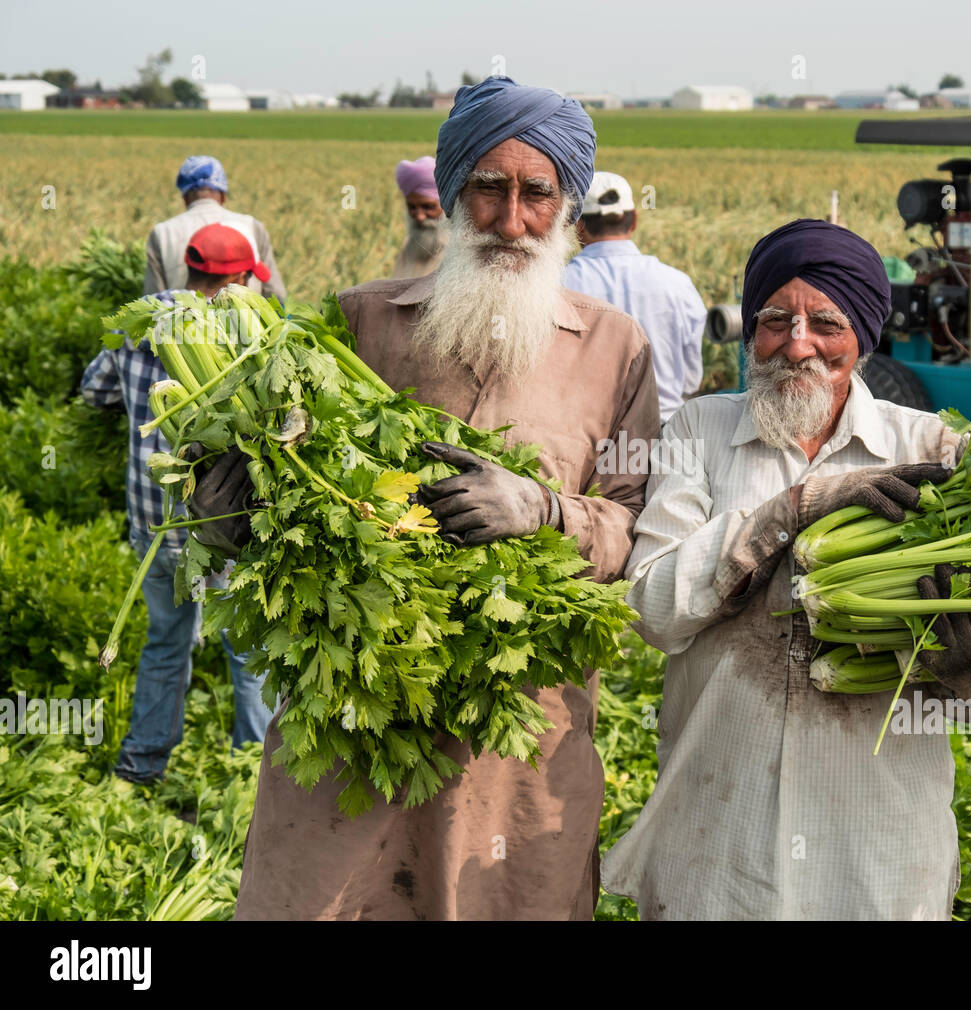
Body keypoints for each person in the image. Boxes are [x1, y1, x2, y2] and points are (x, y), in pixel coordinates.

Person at [224, 76, 661, 921]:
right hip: (351, 720)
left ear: (567, 206)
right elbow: (275, 517)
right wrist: (233, 498)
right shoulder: (360, 325)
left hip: (517, 733)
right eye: (488, 190)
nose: (510, 221)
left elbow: (641, 530)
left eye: (537, 194)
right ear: (453, 195)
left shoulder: (616, 349)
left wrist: (542, 510)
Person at [599, 219, 971, 920]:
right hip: (718, 828)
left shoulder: (935, 453)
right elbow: (651, 607)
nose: (797, 344)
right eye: (774, 321)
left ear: (863, 337)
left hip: (875, 838)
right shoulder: (700, 432)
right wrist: (794, 510)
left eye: (826, 322)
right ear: (750, 333)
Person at [80, 223, 277, 784]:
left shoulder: (136, 322)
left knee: (165, 641)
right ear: (237, 279)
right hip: (225, 526)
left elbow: (94, 392)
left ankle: (140, 768)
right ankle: (250, 779)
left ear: (186, 272)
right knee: (246, 652)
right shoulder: (246, 334)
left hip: (155, 525)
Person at [564, 171, 705, 426]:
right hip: (666, 434)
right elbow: (691, 378)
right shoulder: (678, 284)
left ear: (579, 226)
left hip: (587, 437)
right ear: (634, 220)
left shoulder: (560, 283)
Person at [144, 155, 287, 303]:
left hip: (178, 323)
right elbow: (275, 294)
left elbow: (152, 301)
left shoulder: (162, 232)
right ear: (223, 195)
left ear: (185, 198)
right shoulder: (252, 226)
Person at [392, 156, 448, 278]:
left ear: (447, 204)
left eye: (428, 207)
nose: (420, 217)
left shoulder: (462, 255)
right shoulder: (409, 248)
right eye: (412, 207)